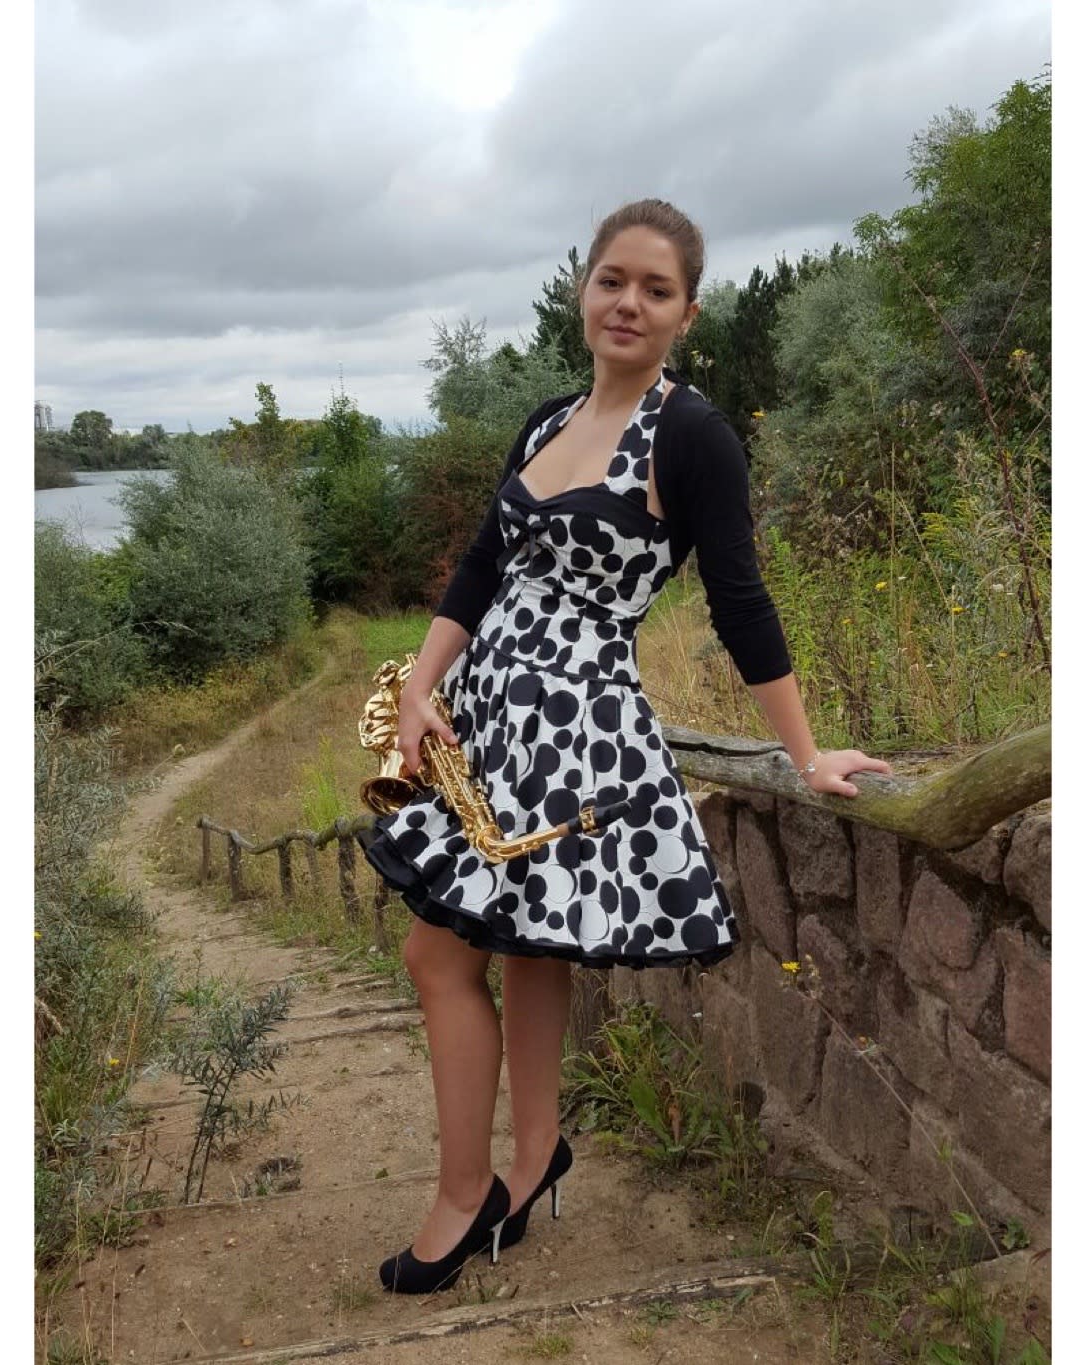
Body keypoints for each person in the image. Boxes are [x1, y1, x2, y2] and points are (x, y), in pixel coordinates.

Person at [353, 198, 895, 1293]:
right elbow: (480, 565)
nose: (628, 303)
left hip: (573, 729)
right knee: (524, 943)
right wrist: (419, 686)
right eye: (613, 280)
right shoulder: (545, 421)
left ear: (686, 314)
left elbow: (740, 602)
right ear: (582, 288)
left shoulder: (691, 436)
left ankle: (464, 1196)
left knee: (437, 955)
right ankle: (533, 1155)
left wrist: (803, 756)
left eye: (656, 290)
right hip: (488, 714)